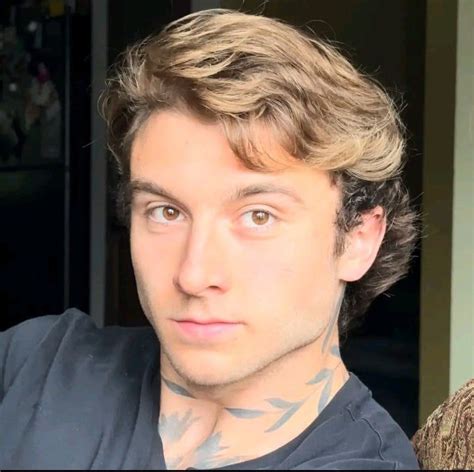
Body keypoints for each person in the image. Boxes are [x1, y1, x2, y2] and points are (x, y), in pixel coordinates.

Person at [0, 9, 420, 470]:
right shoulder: (37, 362)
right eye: (166, 212)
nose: (194, 275)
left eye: (258, 216)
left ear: (358, 239)